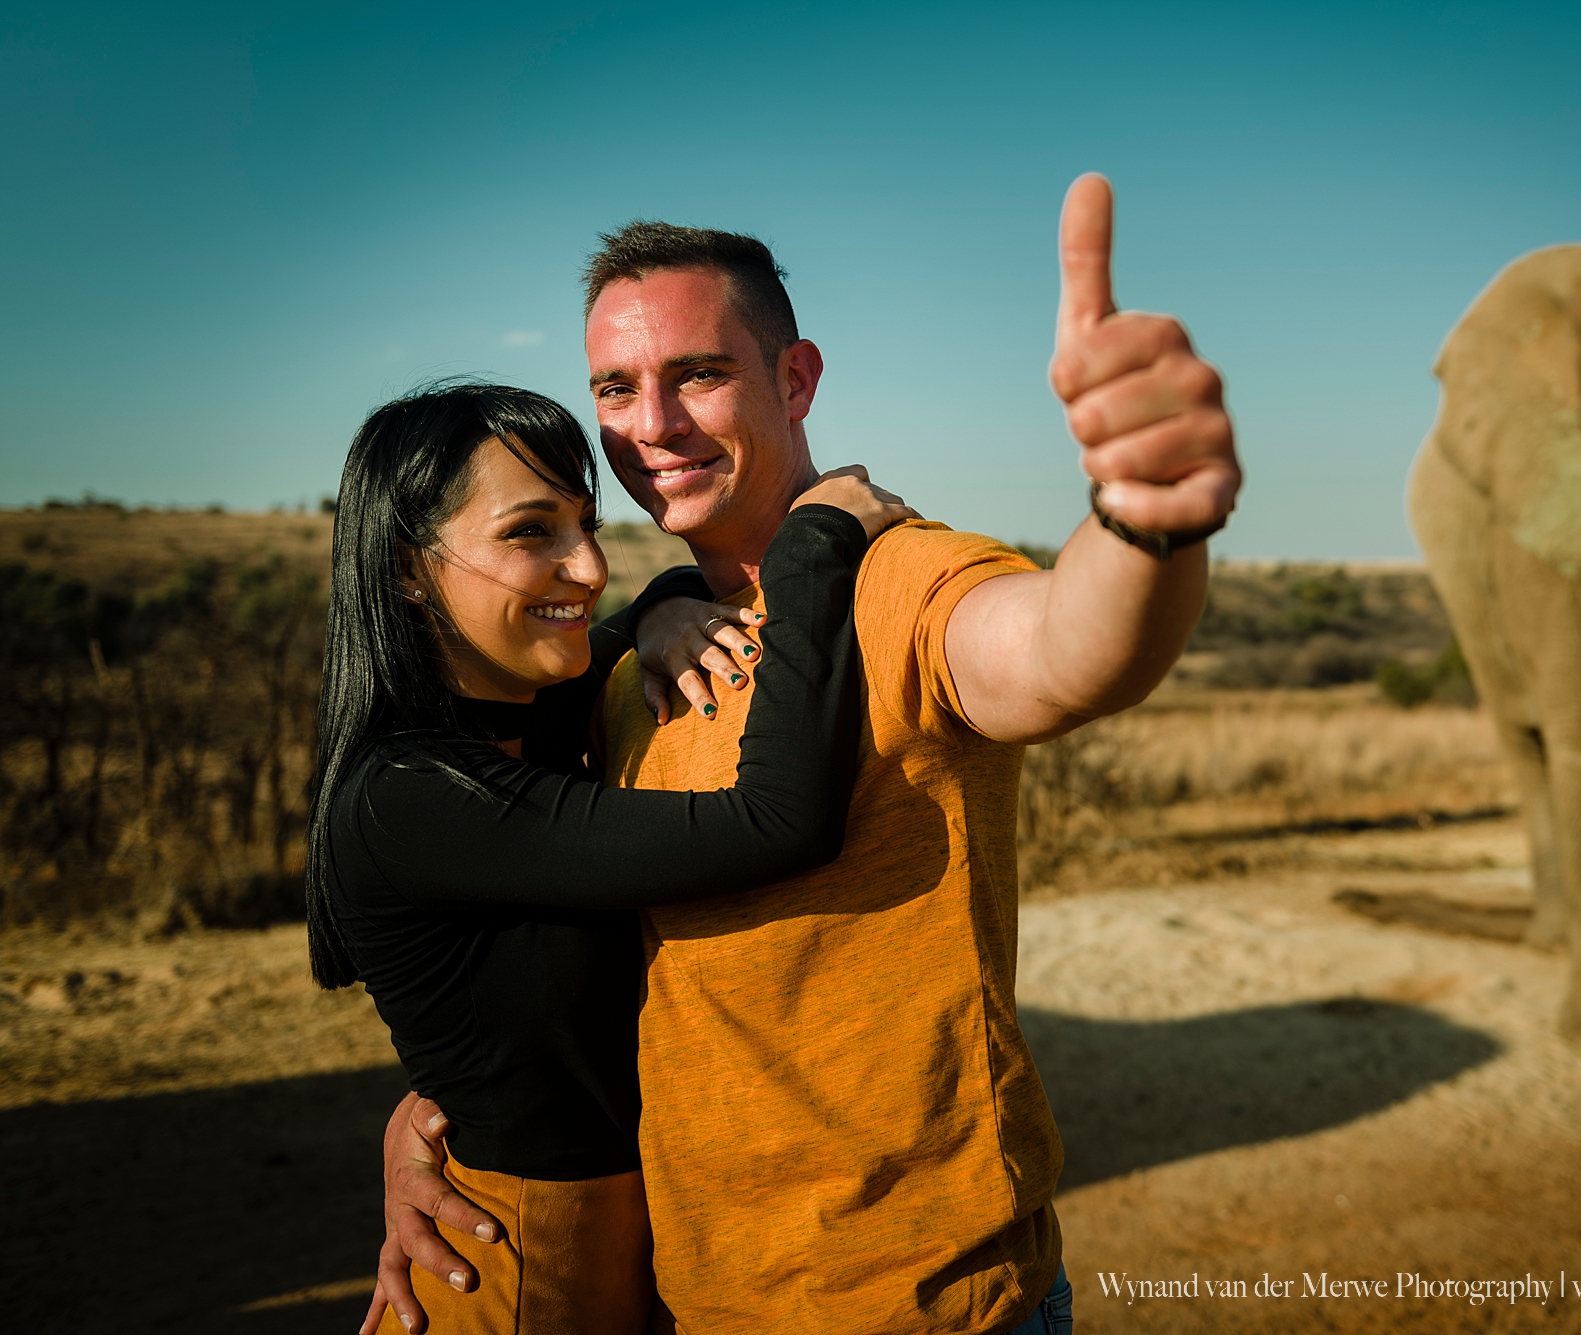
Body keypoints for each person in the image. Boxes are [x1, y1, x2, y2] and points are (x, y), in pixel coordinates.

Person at [374, 174, 1240, 1334]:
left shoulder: (900, 578)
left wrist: (1144, 515)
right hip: (696, 1294)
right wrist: (436, 1116)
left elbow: (1059, 652)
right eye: (616, 389)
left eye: (697, 375)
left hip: (921, 1298)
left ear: (795, 379)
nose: (653, 426)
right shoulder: (621, 665)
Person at [311, 380, 914, 1335]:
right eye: (531, 532)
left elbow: (622, 618)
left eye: (587, 525)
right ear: (408, 569)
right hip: (517, 1280)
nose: (587, 565)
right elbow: (779, 820)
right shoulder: (413, 796)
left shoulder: (524, 715)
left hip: (625, 1255)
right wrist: (812, 542)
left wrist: (667, 603)